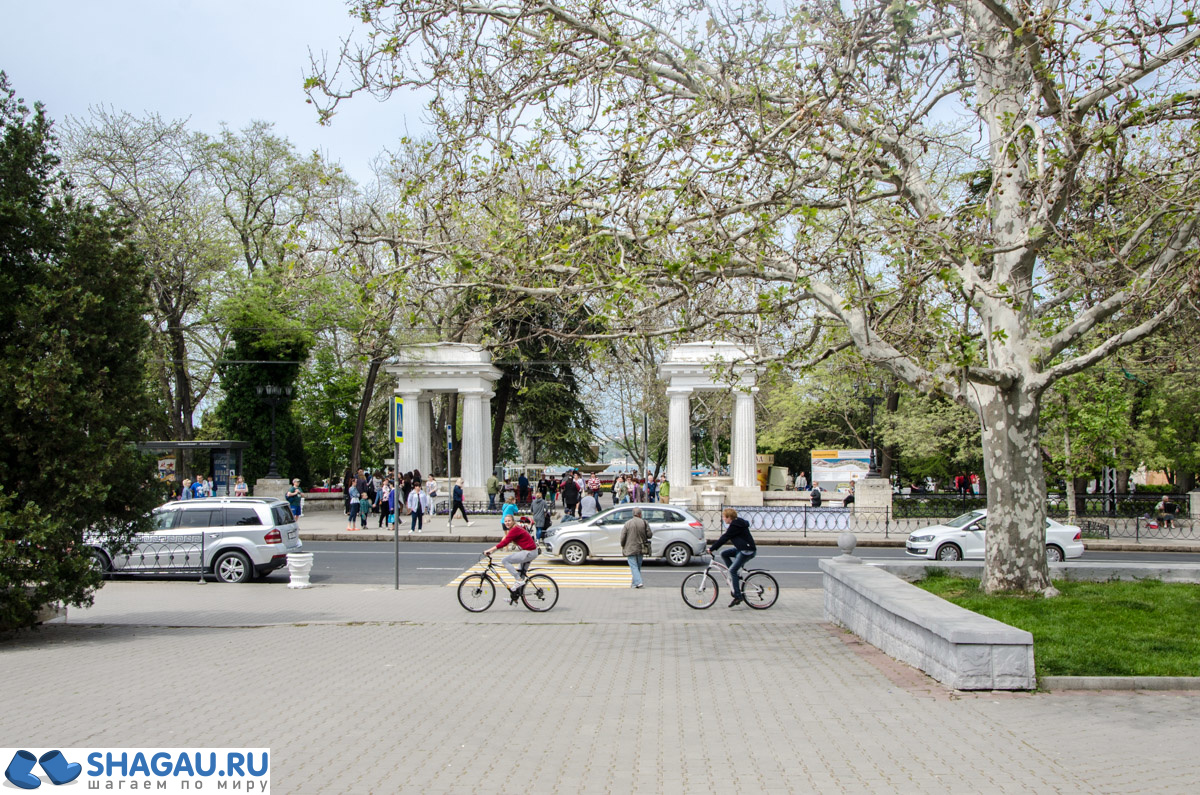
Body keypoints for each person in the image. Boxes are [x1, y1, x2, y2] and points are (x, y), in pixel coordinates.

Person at [483, 514, 539, 601]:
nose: (507, 523)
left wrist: (490, 550)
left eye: (509, 521)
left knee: (505, 560)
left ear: (513, 521)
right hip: (529, 551)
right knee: (520, 574)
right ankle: (515, 597)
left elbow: (504, 543)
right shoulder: (514, 529)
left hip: (529, 552)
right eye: (505, 521)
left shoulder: (515, 529)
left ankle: (519, 580)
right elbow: (504, 541)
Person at [709, 508, 757, 607]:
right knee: (724, 553)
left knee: (732, 570)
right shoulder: (736, 523)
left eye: (724, 517)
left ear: (729, 517)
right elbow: (725, 537)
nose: (723, 519)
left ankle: (738, 596)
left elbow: (724, 538)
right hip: (741, 549)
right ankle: (735, 575)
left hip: (747, 551)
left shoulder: (735, 525)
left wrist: (712, 548)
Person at [620, 507, 653, 589]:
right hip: (641, 548)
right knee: (637, 566)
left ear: (633, 514)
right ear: (640, 514)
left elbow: (623, 537)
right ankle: (635, 584)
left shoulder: (627, 523)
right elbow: (650, 535)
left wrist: (623, 545)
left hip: (630, 547)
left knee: (633, 566)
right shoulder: (644, 522)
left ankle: (638, 582)